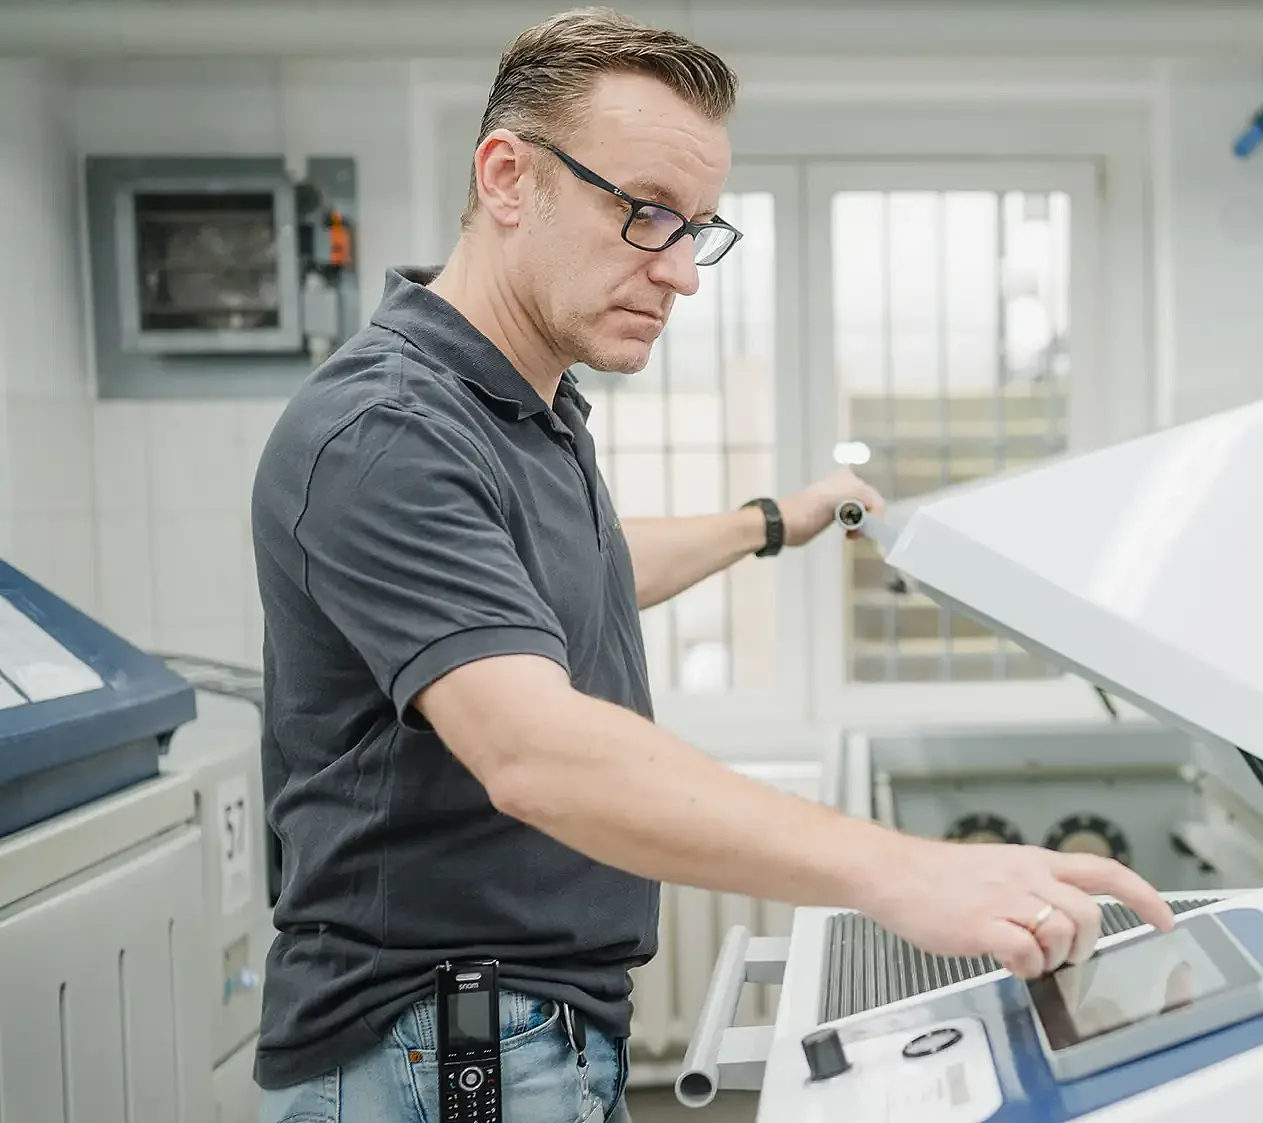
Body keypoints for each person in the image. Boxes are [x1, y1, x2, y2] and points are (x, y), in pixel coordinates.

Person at [249, 7, 1173, 1122]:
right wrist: (911, 871)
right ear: (507, 177)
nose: (684, 273)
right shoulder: (389, 428)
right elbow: (533, 751)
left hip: (520, 1023)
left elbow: (560, 581)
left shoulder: (525, 408)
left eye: (697, 229)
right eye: (645, 215)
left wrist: (773, 520)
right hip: (441, 1045)